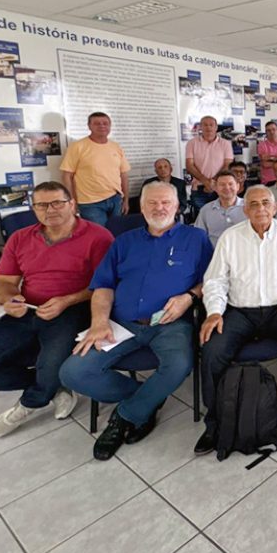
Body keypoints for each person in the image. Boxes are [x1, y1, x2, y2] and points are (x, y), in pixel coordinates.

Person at [59, 181, 213, 460]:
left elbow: (212, 280)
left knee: (179, 364)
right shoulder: (123, 242)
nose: (160, 208)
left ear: (178, 206)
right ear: (141, 207)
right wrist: (99, 322)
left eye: (166, 202)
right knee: (73, 372)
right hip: (122, 323)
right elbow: (103, 286)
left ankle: (124, 416)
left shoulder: (196, 238)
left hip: (171, 324)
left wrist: (189, 296)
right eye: (152, 203)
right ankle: (148, 398)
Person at [0, 181, 113, 438]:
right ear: (34, 209)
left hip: (71, 311)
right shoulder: (20, 238)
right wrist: (9, 298)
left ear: (72, 204)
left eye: (57, 203)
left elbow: (106, 285)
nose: (50, 210)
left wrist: (66, 300)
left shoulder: (98, 236)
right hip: (25, 310)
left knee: (54, 362)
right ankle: (53, 383)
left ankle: (30, 402)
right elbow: (1, 284)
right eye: (42, 205)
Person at [195, 185, 277, 454]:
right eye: (254, 204)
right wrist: (214, 311)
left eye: (265, 203)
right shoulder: (230, 238)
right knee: (212, 349)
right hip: (240, 311)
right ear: (244, 209)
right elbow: (215, 280)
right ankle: (214, 421)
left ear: (275, 207)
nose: (260, 209)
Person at [60, 111, 130, 225]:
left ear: (110, 125)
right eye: (97, 123)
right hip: (90, 203)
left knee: (117, 232)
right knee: (100, 237)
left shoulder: (116, 147)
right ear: (89, 126)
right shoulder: (78, 147)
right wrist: (71, 200)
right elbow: (67, 176)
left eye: (105, 123)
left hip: (115, 199)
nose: (102, 126)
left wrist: (126, 199)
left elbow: (124, 175)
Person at [185, 115, 233, 213]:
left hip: (220, 187)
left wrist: (214, 182)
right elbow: (189, 165)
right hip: (199, 188)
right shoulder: (192, 143)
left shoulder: (226, 144)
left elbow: (227, 165)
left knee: (221, 215)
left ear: (216, 127)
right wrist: (206, 182)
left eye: (211, 125)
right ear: (200, 127)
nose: (208, 127)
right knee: (200, 218)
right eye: (205, 125)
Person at [193, 169, 244, 246]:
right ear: (215, 188)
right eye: (222, 184)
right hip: (214, 255)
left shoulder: (249, 207)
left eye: (230, 184)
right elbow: (198, 236)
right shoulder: (206, 210)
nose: (227, 187)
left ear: (238, 186)